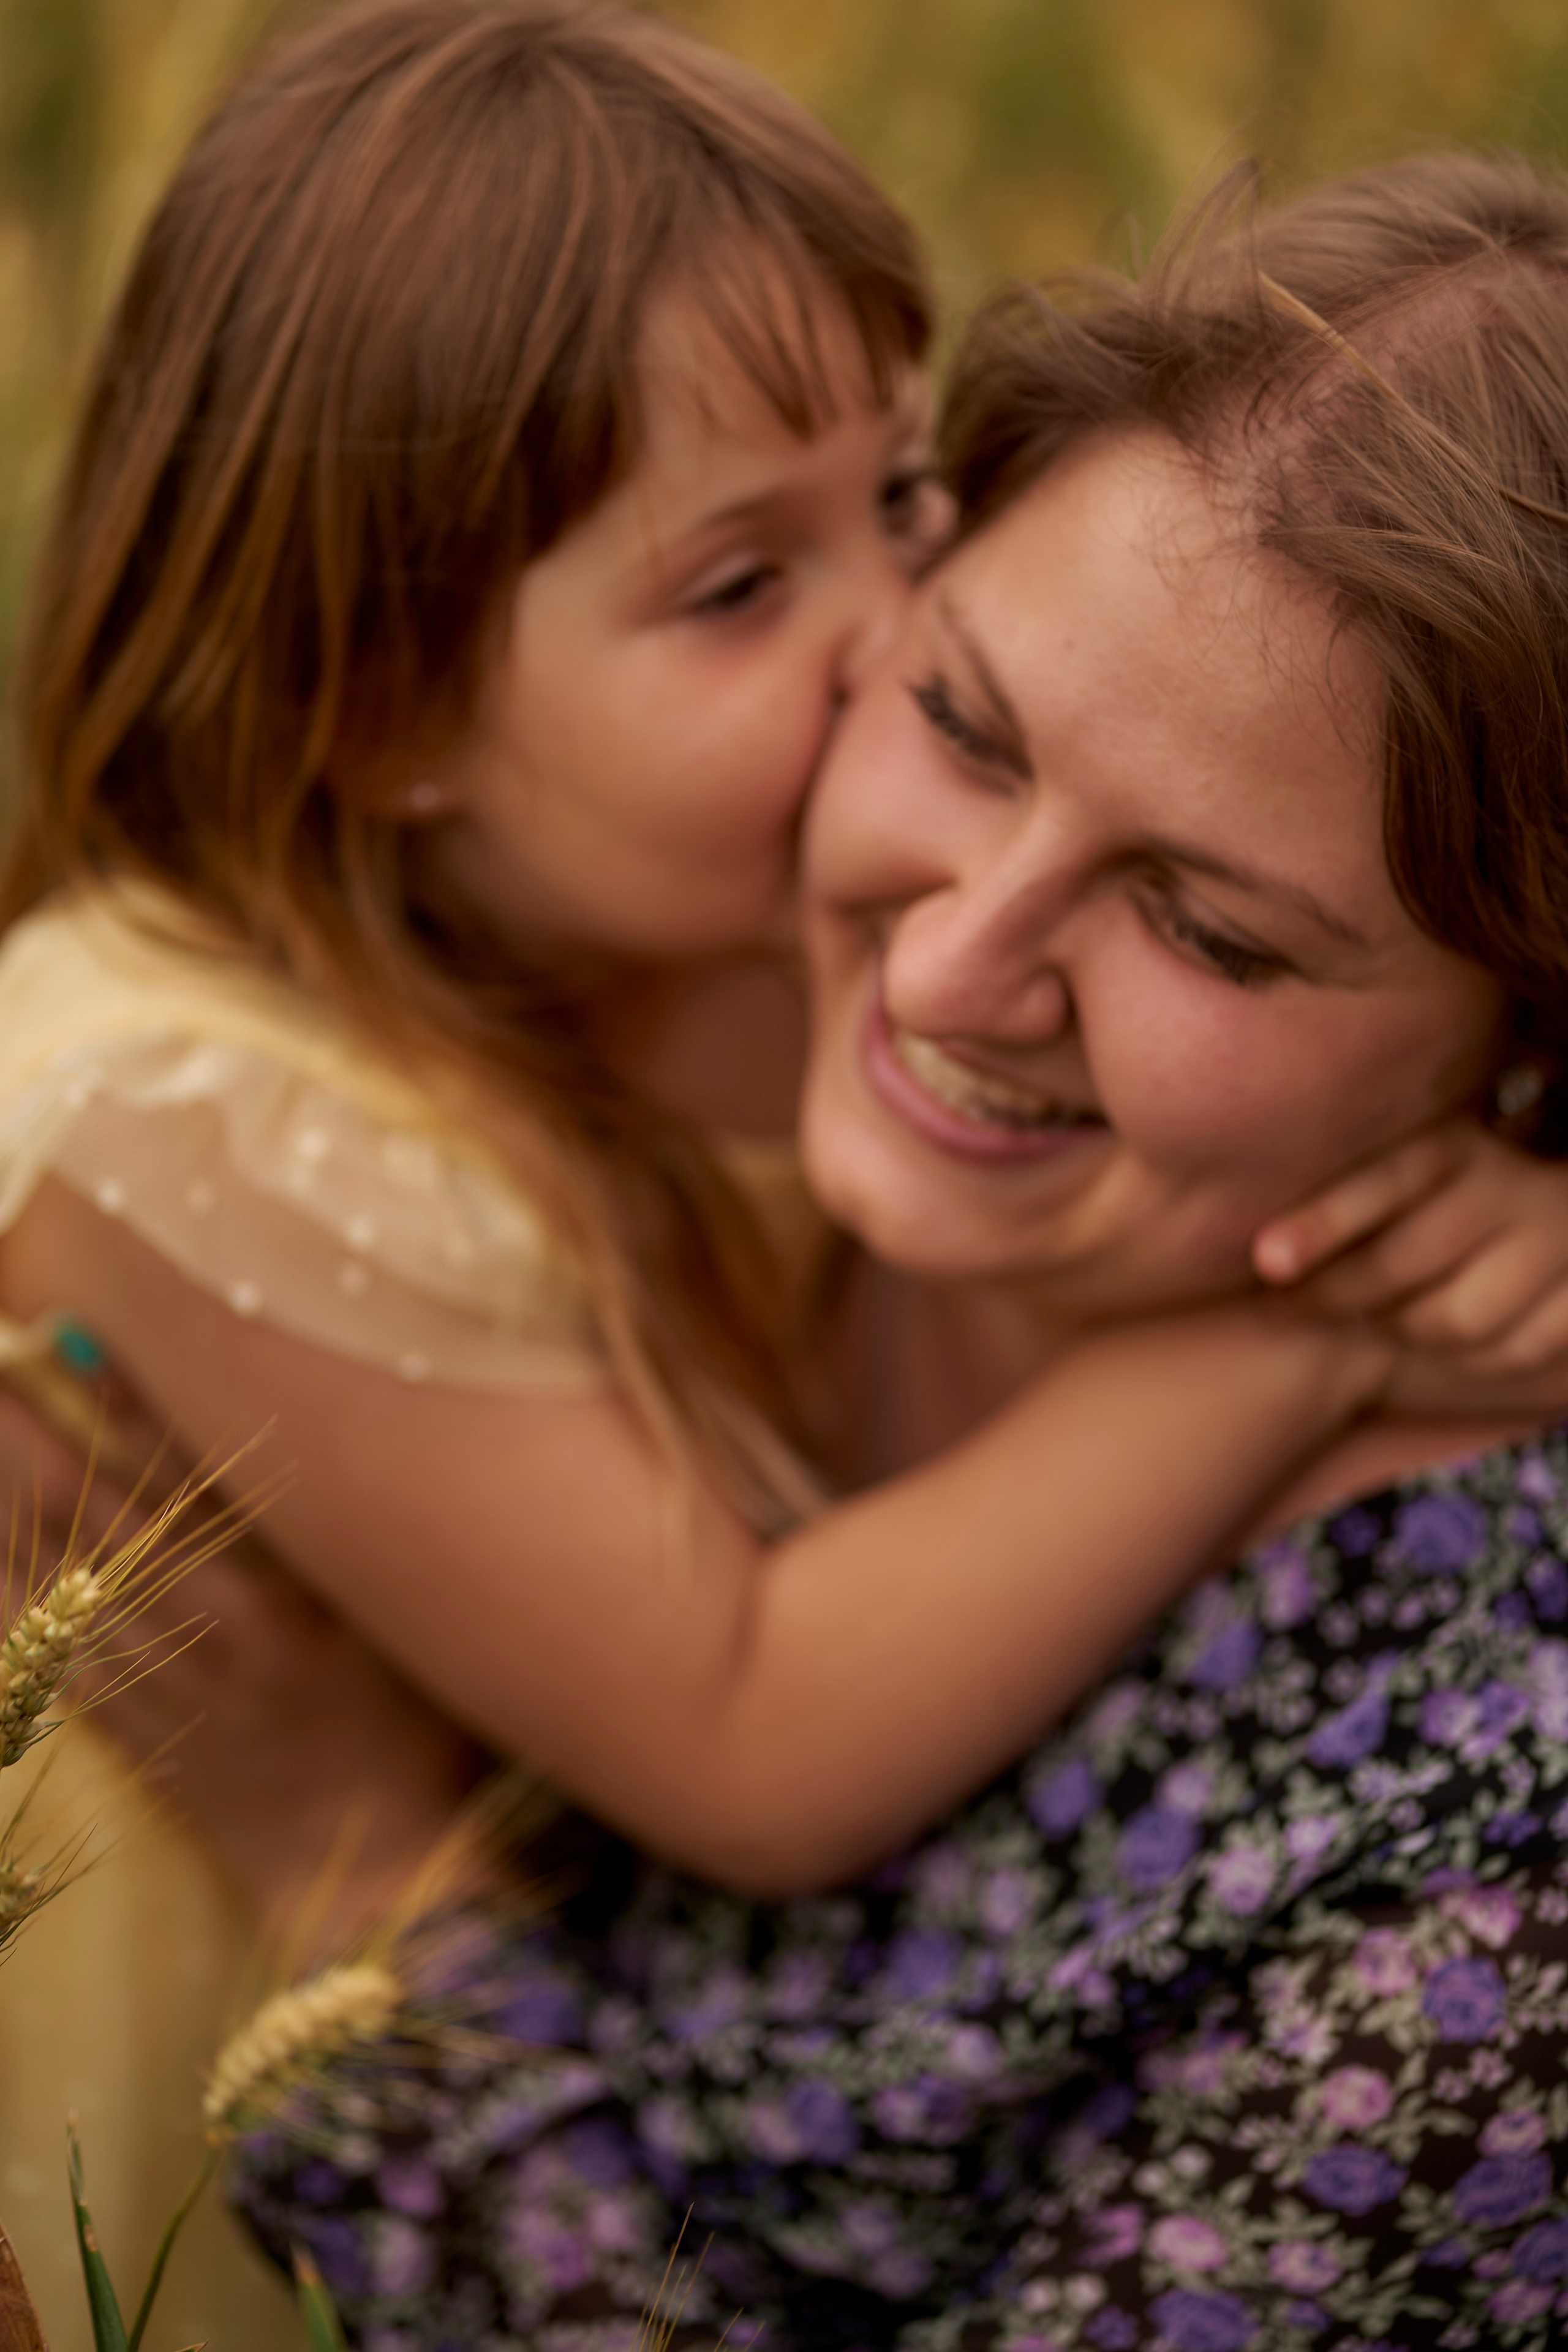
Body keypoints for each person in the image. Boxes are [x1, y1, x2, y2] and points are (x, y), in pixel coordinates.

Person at [0, 7, 1500, 2337]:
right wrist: (1300, 1334)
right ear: (380, 717)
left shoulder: (1490, 1854)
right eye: (740, 592)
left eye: (898, 508)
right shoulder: (197, 1104)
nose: (952, 964)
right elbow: (756, 1739)